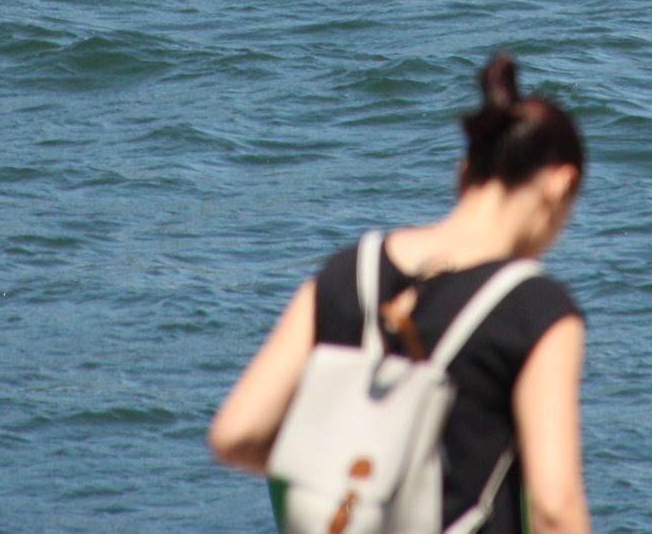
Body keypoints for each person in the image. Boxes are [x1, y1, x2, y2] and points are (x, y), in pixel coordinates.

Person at [209, 55, 592, 534]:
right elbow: (555, 507)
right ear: (560, 184)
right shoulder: (536, 308)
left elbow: (235, 434)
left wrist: (352, 476)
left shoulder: (346, 272)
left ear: (462, 175)